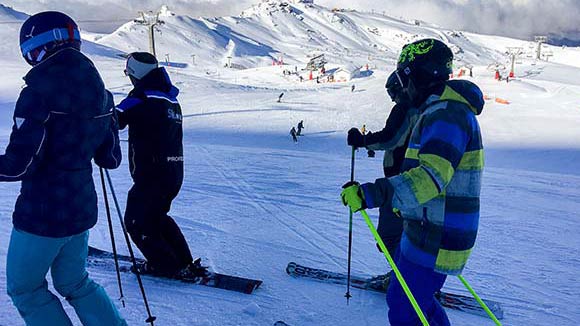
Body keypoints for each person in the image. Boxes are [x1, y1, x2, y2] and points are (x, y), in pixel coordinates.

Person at [341, 39, 484, 325]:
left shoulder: (447, 115)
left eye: (404, 78)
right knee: (411, 300)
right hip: (426, 227)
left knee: (405, 305)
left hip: (438, 235)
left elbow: (431, 176)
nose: (403, 88)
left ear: (419, 75)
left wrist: (373, 193)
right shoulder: (437, 111)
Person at [0, 11, 126, 325]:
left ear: (36, 48)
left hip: (42, 214)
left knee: (25, 288)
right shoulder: (102, 94)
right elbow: (110, 159)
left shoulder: (38, 93)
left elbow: (17, 166)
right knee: (75, 283)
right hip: (81, 210)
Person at [116, 52, 203, 278]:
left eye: (129, 74)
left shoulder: (142, 98)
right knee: (156, 216)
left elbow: (113, 119)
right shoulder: (171, 99)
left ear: (135, 74)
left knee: (137, 221)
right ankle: (182, 261)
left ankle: (165, 265)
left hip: (151, 174)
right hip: (173, 172)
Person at [346, 70, 420, 258]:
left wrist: (362, 140)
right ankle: (410, 275)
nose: (392, 99)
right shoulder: (424, 108)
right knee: (409, 232)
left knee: (390, 236)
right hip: (418, 181)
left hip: (400, 180)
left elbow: (390, 138)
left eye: (392, 93)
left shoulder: (405, 108)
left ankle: (403, 278)